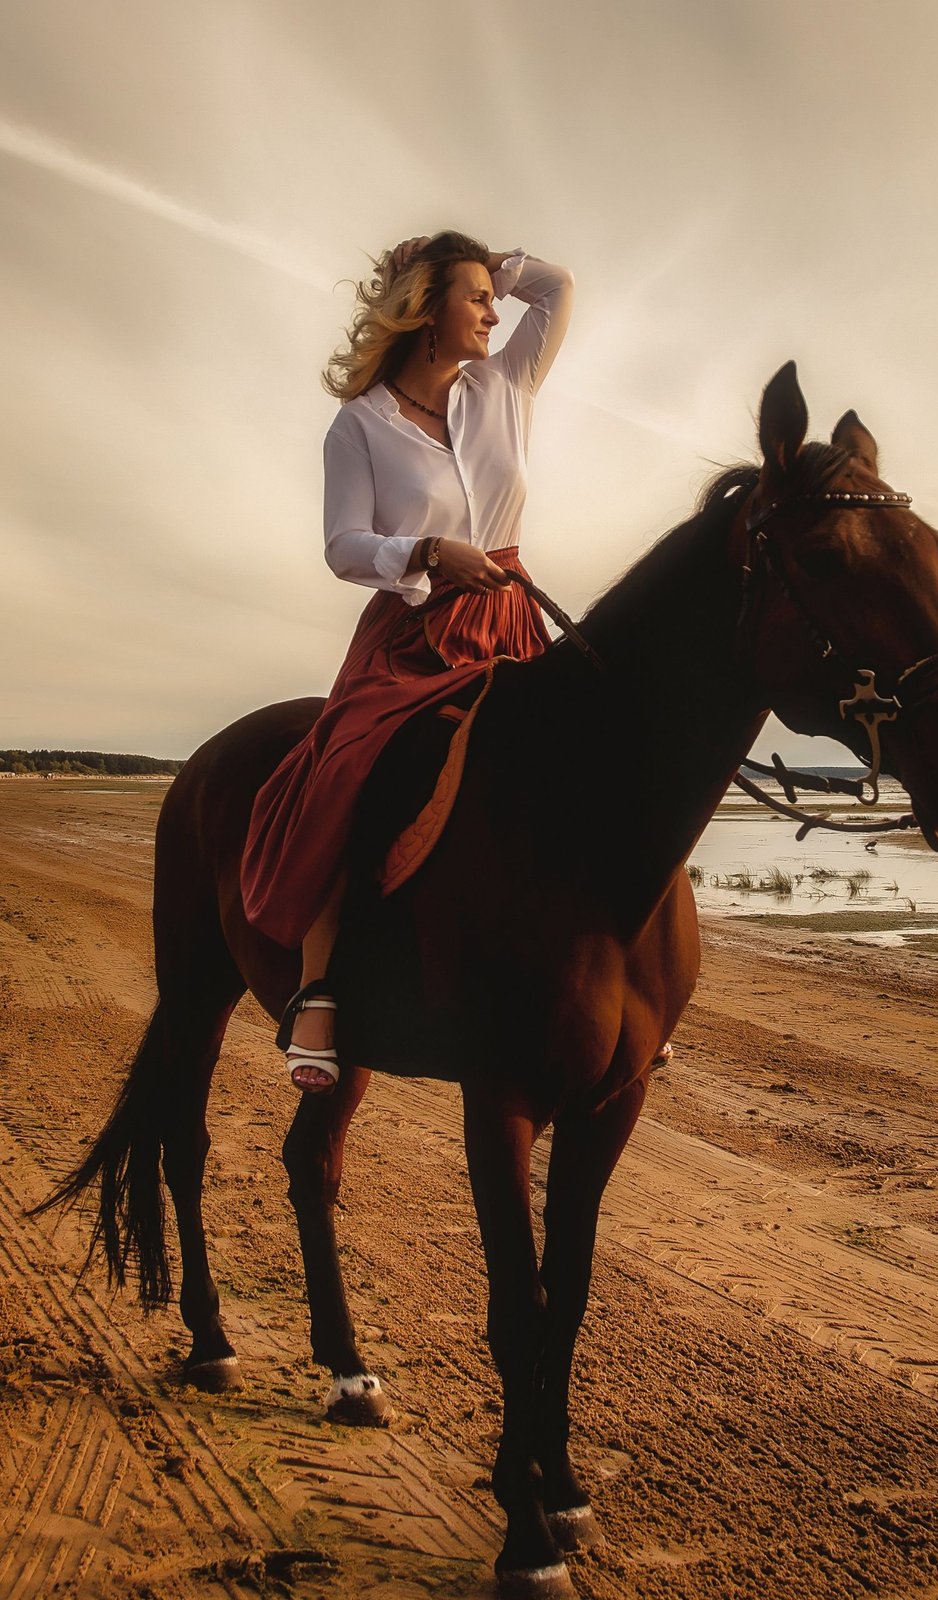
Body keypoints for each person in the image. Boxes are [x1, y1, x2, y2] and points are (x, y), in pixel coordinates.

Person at [240, 231, 575, 1090]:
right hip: (415, 629)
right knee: (347, 765)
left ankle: (586, 977)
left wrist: (490, 262)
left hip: (510, 616)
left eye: (492, 298)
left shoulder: (505, 386)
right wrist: (427, 552)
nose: (493, 312)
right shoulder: (358, 424)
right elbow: (343, 545)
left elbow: (556, 287)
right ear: (427, 312)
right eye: (474, 299)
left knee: (582, 760)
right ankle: (317, 988)